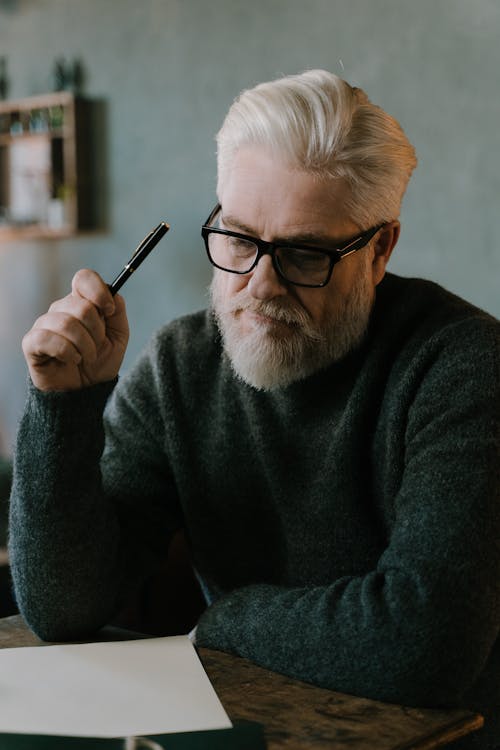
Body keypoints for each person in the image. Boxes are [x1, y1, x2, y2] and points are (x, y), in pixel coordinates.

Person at [9, 70, 499, 749]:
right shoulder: (181, 364)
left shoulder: (463, 365)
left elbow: (428, 643)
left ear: (379, 249)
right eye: (238, 239)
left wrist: (231, 620)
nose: (259, 286)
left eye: (303, 253)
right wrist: (62, 409)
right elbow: (63, 606)